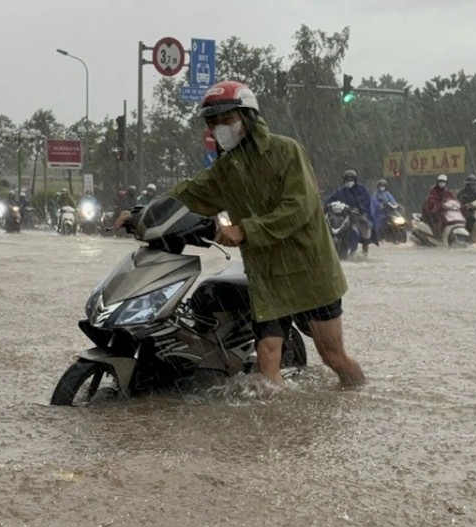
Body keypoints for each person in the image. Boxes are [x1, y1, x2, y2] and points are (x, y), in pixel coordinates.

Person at [114, 80, 364, 388]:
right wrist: (143, 214)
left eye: (226, 119)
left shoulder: (286, 151)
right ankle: (274, 426)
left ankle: (358, 395)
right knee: (267, 355)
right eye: (212, 122)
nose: (219, 128)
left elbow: (299, 208)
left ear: (248, 118)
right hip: (267, 275)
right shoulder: (226, 169)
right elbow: (189, 193)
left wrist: (246, 230)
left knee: (333, 356)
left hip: (310, 270)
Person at [324, 169, 377, 258]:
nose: (349, 182)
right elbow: (330, 198)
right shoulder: (341, 191)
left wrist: (360, 209)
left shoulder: (361, 189)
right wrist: (324, 204)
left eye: (351, 179)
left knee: (366, 233)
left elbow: (367, 202)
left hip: (360, 215)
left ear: (355, 180)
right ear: (344, 180)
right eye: (347, 180)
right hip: (345, 216)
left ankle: (364, 254)